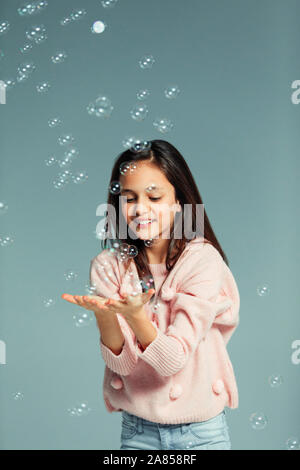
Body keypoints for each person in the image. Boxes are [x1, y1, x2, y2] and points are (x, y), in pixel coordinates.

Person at [62, 140, 240, 450]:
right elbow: (123, 365)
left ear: (179, 202)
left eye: (154, 196)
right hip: (138, 429)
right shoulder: (109, 266)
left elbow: (172, 359)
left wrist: (135, 315)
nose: (140, 209)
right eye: (129, 198)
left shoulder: (201, 262)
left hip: (201, 431)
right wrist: (106, 318)